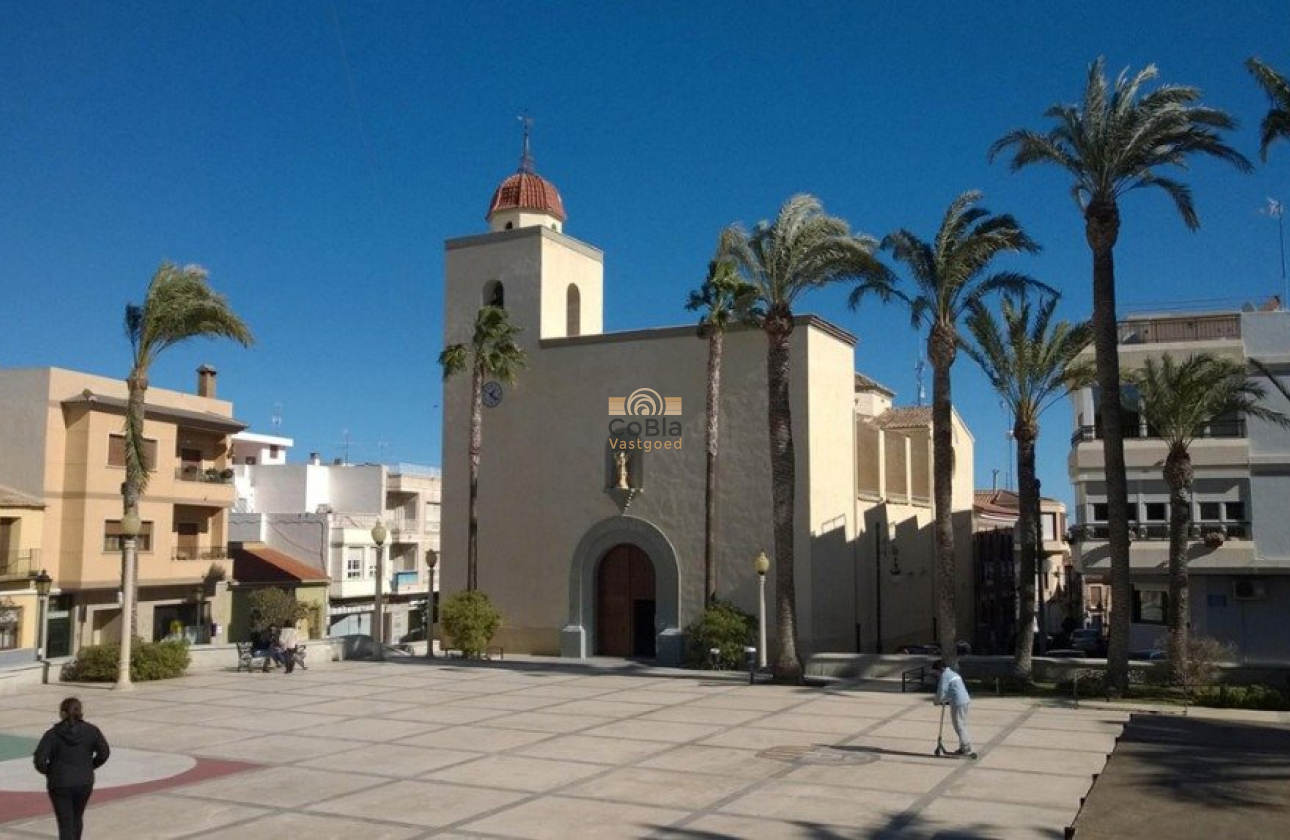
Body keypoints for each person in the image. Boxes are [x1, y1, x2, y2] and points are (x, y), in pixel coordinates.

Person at [32, 697, 110, 840]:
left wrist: (51, 771)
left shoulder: (52, 734)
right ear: (80, 712)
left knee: (65, 822)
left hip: (60, 782)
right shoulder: (92, 731)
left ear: (62, 713)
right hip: (84, 781)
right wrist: (91, 766)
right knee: (77, 817)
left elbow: (39, 760)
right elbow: (104, 753)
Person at [931, 659, 973, 755]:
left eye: (936, 671)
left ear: (940, 669)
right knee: (961, 724)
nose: (936, 674)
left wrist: (937, 701)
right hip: (964, 700)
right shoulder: (952, 673)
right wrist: (945, 699)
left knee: (959, 725)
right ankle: (963, 747)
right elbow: (952, 690)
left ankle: (966, 748)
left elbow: (941, 691)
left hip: (958, 702)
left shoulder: (945, 676)